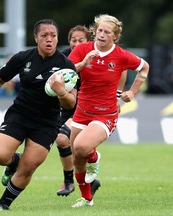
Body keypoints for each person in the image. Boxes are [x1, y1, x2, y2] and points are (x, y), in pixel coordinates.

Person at [0, 19, 77, 211]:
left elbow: (71, 103)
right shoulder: (23, 58)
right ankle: (13, 162)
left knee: (29, 166)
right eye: (44, 36)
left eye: (53, 36)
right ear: (36, 38)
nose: (49, 40)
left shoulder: (66, 66)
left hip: (47, 123)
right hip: (20, 115)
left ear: (57, 39)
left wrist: (61, 92)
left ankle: (4, 204)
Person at [67, 14, 149, 208]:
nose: (102, 35)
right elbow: (67, 72)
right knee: (76, 158)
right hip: (81, 111)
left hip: (105, 114)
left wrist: (132, 91)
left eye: (107, 32)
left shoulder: (121, 55)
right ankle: (87, 199)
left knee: (81, 148)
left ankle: (95, 158)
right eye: (100, 31)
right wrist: (83, 62)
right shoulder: (83, 50)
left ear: (115, 37)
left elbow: (144, 68)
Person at [56, 25, 127, 197]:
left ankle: (70, 180)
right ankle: (85, 181)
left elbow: (122, 68)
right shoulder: (65, 56)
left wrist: (117, 96)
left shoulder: (98, 53)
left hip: (88, 107)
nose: (76, 44)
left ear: (89, 41)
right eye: (73, 40)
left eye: (81, 40)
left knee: (64, 139)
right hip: (67, 104)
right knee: (69, 146)